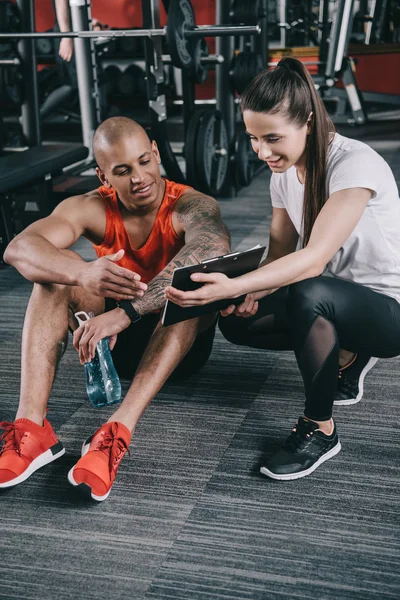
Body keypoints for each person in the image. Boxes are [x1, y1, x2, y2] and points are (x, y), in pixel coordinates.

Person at [166, 57, 400, 481]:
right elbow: (278, 256)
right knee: (238, 322)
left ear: (308, 121)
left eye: (272, 138)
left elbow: (311, 258)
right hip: (334, 297)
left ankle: (320, 428)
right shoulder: (284, 174)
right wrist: (241, 291)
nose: (262, 151)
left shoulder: (355, 164)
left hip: (388, 311)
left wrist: (226, 288)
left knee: (313, 293)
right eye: (253, 138)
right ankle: (346, 358)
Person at [0, 117, 230, 501]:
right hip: (111, 346)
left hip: (177, 347)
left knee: (190, 288)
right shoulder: (92, 207)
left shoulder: (190, 204)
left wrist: (128, 312)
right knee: (54, 276)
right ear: (103, 176)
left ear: (156, 154)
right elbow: (18, 249)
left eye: (144, 162)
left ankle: (115, 432)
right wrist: (82, 273)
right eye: (122, 171)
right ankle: (32, 428)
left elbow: (213, 247)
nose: (139, 177)